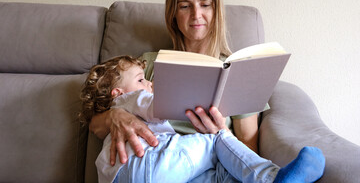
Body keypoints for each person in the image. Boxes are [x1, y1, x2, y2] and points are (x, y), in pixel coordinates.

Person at [89, 0, 264, 167]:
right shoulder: (149, 64)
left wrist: (221, 134)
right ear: (173, 13)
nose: (196, 15)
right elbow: (95, 125)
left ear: (217, 10)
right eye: (185, 6)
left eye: (205, 4)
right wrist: (115, 115)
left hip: (214, 165)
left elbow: (250, 150)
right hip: (155, 166)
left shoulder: (238, 71)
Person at [79, 55, 325, 183]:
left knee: (215, 174)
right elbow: (156, 107)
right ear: (117, 93)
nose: (150, 82)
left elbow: (250, 142)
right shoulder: (132, 96)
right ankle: (270, 178)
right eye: (142, 79)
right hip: (153, 162)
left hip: (122, 176)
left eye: (205, 4)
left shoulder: (235, 66)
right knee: (215, 139)